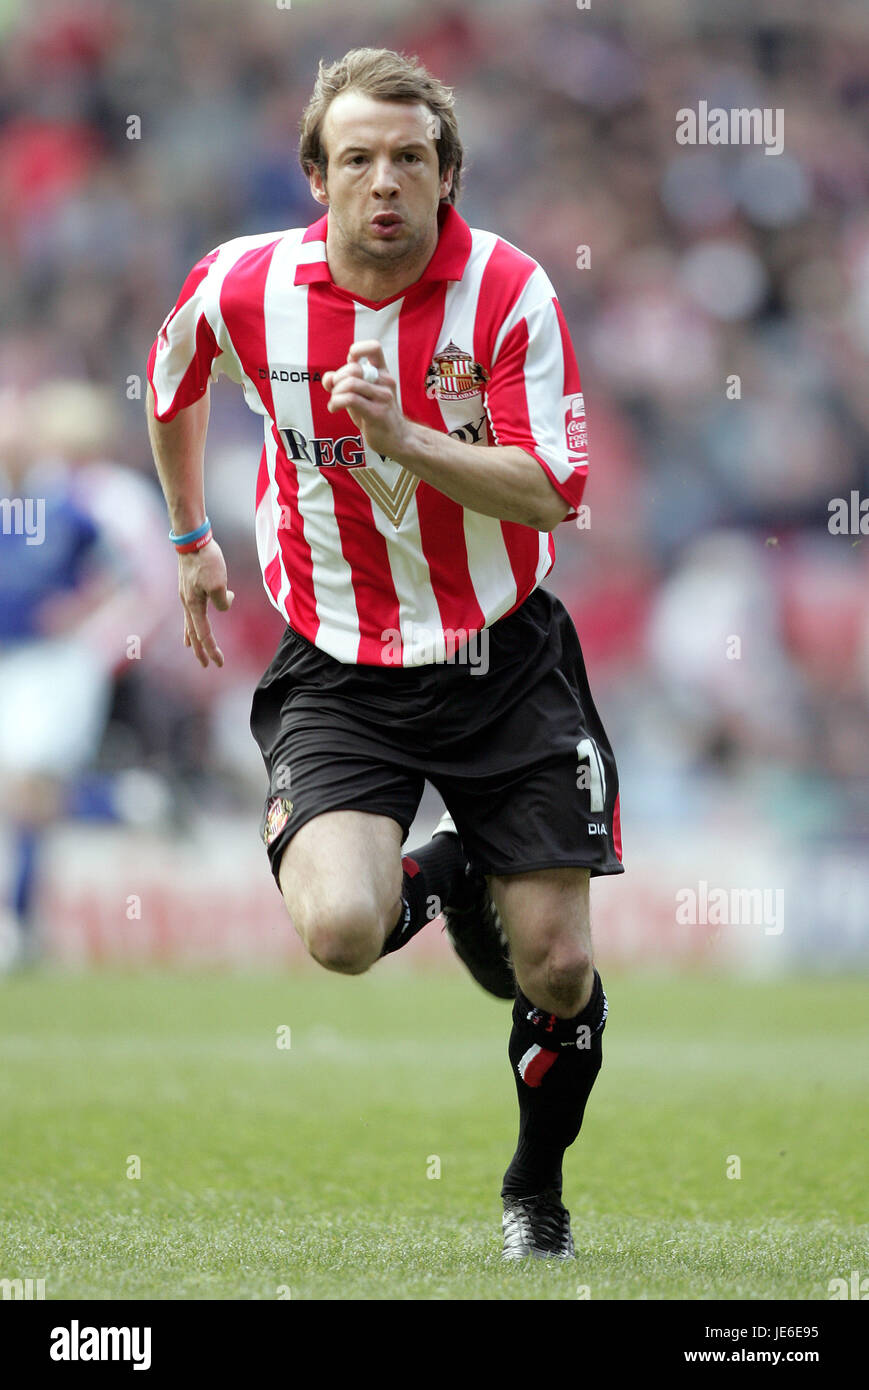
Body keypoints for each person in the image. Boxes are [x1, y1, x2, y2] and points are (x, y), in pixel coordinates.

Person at [146, 47, 623, 1262]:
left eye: (410, 157)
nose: (384, 181)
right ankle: (456, 874)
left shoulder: (510, 293)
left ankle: (533, 1188)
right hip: (340, 668)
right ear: (316, 176)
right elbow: (168, 381)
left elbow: (551, 492)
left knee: (557, 966)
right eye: (356, 158)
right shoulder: (246, 283)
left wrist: (401, 437)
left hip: (502, 658)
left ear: (447, 172)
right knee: (343, 931)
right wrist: (192, 534)